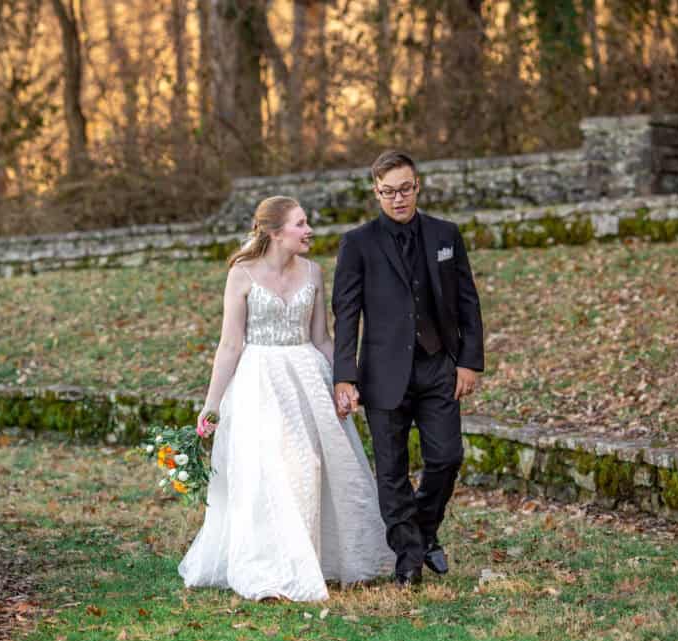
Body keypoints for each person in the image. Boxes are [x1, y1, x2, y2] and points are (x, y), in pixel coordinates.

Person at [178, 196, 393, 602]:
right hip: (259, 381)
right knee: (269, 470)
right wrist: (212, 405)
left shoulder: (313, 272)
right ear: (276, 233)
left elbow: (322, 339)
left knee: (311, 467)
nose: (309, 230)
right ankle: (270, 569)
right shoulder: (241, 275)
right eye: (300, 223)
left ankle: (313, 558)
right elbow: (229, 345)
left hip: (305, 378)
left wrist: (344, 383)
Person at [332, 151, 485, 588]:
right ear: (375, 192)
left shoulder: (445, 234)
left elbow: (468, 301)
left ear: (418, 186)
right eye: (387, 191)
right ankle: (408, 558)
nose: (397, 198)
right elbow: (347, 313)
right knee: (392, 470)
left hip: (438, 367)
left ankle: (424, 528)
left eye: (405, 188)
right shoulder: (357, 243)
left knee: (447, 457)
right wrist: (345, 374)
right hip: (382, 372)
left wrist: (470, 361)